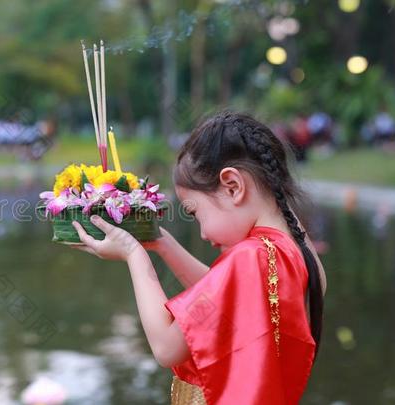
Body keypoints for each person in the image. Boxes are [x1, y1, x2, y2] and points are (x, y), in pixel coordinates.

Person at [70, 112, 327, 404]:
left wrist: (134, 255)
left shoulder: (250, 256)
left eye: (195, 213)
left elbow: (167, 347)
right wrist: (163, 244)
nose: (203, 233)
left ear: (233, 185)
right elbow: (224, 300)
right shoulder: (297, 253)